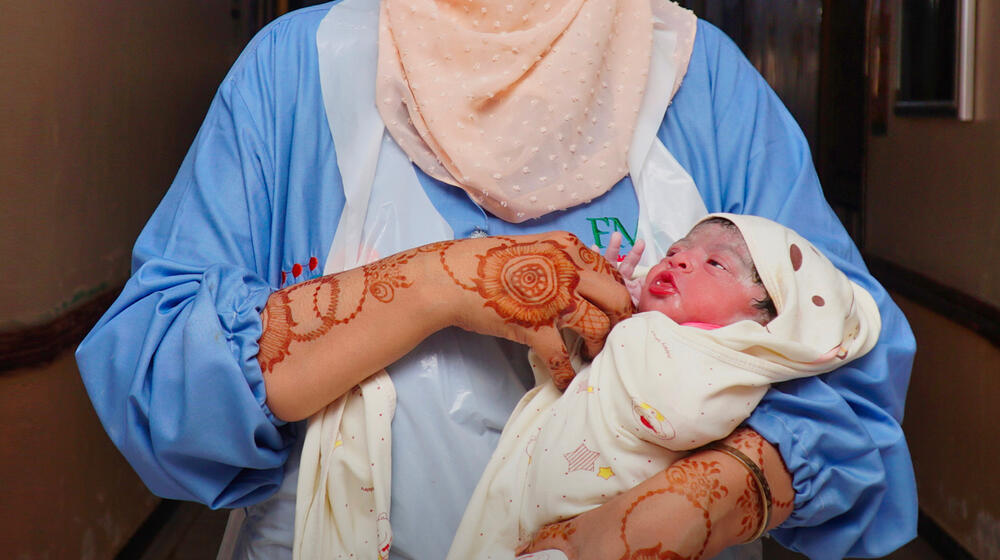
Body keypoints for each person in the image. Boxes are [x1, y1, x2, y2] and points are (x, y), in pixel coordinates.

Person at [75, 1, 917, 559]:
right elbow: (158, 380)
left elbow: (846, 358)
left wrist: (658, 523)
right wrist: (438, 285)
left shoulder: (703, 81)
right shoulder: (302, 69)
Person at [447, 214, 882, 559]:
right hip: (517, 506)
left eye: (716, 263)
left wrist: (638, 329)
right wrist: (596, 310)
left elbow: (679, 417)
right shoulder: (643, 331)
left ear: (764, 320)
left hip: (598, 527)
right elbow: (562, 374)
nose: (678, 260)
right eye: (675, 250)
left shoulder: (730, 361)